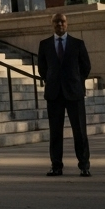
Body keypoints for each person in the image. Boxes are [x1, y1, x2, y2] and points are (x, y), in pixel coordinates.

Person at [37, 12, 92, 177]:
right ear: (52, 24)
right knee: (55, 132)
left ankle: (84, 165)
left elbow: (86, 67)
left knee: (80, 131)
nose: (60, 25)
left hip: (74, 93)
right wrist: (52, 79)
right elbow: (42, 69)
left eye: (62, 22)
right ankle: (56, 166)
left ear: (67, 24)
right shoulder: (44, 44)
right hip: (54, 94)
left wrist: (76, 80)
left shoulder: (78, 44)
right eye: (56, 22)